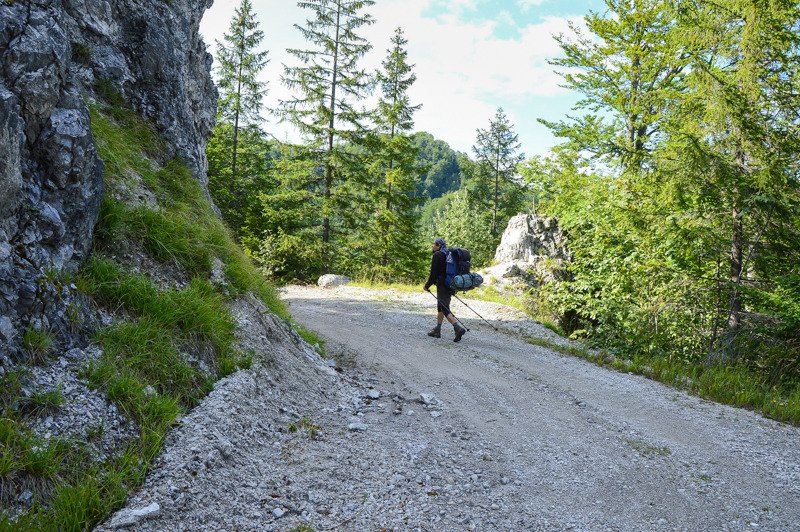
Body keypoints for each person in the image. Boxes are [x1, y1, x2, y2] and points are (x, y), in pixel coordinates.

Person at [423, 238, 467, 342]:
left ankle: (457, 327)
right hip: (450, 283)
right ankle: (437, 330)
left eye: (434, 244)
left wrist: (427, 285)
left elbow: (433, 273)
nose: (433, 246)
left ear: (439, 246)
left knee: (444, 307)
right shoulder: (448, 254)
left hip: (442, 284)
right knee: (440, 306)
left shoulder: (437, 255)